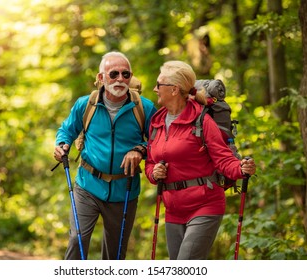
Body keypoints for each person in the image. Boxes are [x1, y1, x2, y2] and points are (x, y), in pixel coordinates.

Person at [145, 60, 256, 260]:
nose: (154, 89)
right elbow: (150, 165)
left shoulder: (201, 120)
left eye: (159, 84)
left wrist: (241, 168)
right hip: (173, 210)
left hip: (204, 205)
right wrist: (154, 173)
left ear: (174, 89)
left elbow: (223, 160)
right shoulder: (157, 123)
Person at [53, 51, 157, 260]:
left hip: (124, 189)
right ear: (101, 78)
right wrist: (62, 144)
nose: (120, 79)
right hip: (88, 185)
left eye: (125, 74)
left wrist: (140, 149)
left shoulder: (144, 108)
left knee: (115, 253)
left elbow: (158, 141)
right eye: (114, 74)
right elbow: (67, 130)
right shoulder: (86, 104)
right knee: (77, 240)